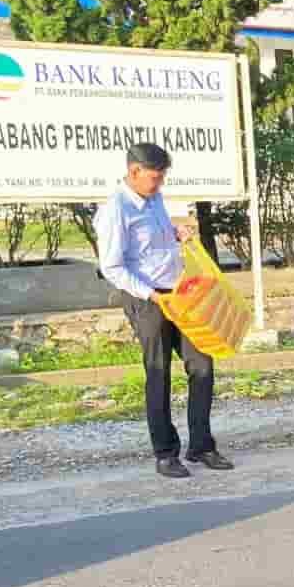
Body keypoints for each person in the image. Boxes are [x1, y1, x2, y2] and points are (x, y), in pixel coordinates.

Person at [95, 142, 231, 479]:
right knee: (159, 372)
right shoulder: (115, 211)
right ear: (134, 172)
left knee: (202, 363)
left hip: (177, 293)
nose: (160, 184)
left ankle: (201, 446)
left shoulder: (153, 197)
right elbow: (112, 267)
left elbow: (154, 239)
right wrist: (152, 295)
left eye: (162, 177)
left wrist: (175, 232)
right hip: (146, 298)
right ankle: (166, 454)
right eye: (155, 178)